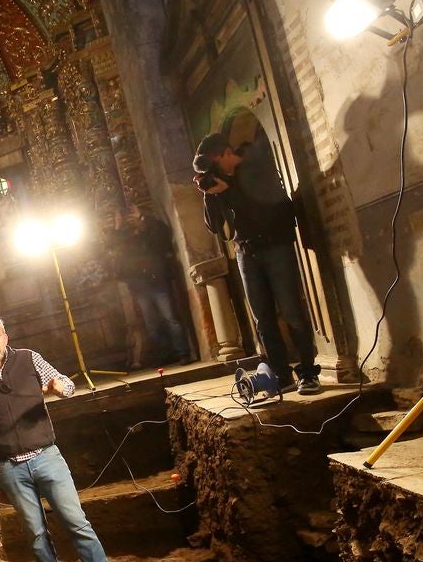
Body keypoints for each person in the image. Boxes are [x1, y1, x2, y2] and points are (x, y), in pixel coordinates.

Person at [0, 313, 136, 562]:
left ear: (6, 337)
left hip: (46, 457)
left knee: (77, 523)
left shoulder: (29, 359)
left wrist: (60, 386)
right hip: (9, 467)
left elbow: (66, 382)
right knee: (37, 534)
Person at [193, 132, 321, 394]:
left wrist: (230, 192)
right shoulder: (221, 181)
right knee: (262, 319)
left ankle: (308, 373)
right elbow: (215, 226)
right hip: (245, 252)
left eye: (217, 162)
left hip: (276, 246)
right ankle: (281, 376)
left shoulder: (257, 166)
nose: (216, 168)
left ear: (227, 153)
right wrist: (209, 195)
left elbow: (270, 210)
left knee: (291, 310)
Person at [114, 211, 193, 367]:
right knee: (152, 324)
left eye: (135, 219)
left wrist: (143, 217)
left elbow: (163, 233)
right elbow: (114, 244)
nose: (133, 223)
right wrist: (118, 225)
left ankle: (183, 353)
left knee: (170, 319)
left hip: (157, 282)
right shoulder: (127, 241)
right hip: (140, 286)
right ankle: (165, 354)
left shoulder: (150, 234)